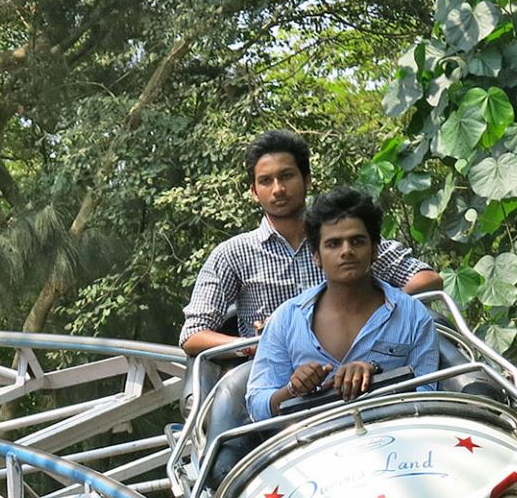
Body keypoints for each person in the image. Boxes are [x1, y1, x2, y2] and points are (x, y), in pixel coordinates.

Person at [179, 129, 443, 355]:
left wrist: (376, 316)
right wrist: (254, 345)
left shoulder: (342, 237)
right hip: (277, 375)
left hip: (363, 358)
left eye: (286, 176)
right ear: (253, 191)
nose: (278, 189)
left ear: (307, 179)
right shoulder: (232, 254)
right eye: (265, 181)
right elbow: (193, 335)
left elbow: (427, 279)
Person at [245, 187, 440, 421]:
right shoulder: (287, 318)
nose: (347, 251)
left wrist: (375, 372)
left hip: (396, 444)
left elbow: (428, 396)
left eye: (357, 241)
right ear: (316, 256)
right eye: (333, 244)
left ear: (374, 250)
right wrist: (294, 389)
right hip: (310, 448)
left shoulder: (412, 315)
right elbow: (257, 406)